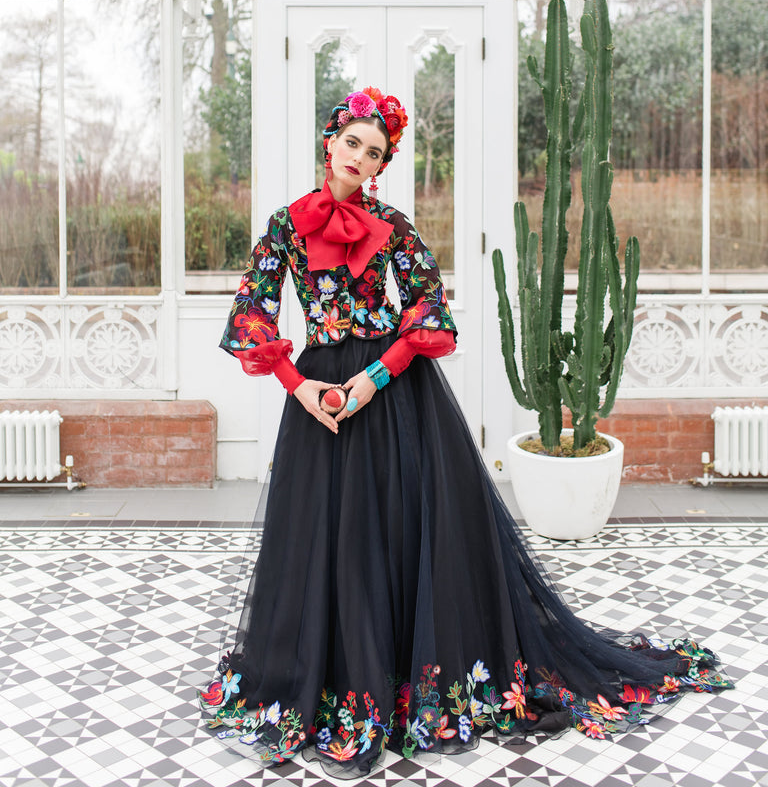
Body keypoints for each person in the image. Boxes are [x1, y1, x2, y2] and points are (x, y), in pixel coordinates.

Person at [198, 87, 732, 777]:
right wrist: (300, 389)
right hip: (317, 395)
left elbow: (428, 312)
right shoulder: (283, 227)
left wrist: (371, 381)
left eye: (376, 152)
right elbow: (252, 315)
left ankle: (397, 678)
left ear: (382, 163)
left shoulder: (394, 225)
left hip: (391, 397)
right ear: (330, 142)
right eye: (353, 144)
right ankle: (340, 676)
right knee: (330, 544)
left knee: (391, 539)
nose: (362, 158)